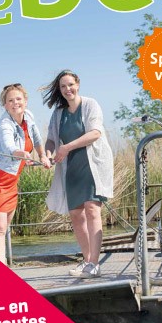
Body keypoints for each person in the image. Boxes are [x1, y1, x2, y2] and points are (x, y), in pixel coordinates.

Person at [42, 70, 115, 278]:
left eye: (71, 85)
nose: (67, 89)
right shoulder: (58, 113)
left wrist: (66, 148)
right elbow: (51, 140)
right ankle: (87, 260)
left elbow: (95, 133)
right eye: (63, 86)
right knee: (76, 214)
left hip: (92, 164)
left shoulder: (91, 104)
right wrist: (48, 154)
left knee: (92, 209)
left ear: (78, 84)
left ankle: (95, 263)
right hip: (71, 167)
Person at [0, 83, 49, 265]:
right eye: (10, 100)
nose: (15, 103)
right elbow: (9, 147)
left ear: (25, 101)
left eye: (18, 99)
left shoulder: (29, 117)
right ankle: (1, 269)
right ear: (5, 105)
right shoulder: (5, 125)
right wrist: (22, 154)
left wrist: (42, 156)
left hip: (11, 180)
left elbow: (38, 138)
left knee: (5, 227)